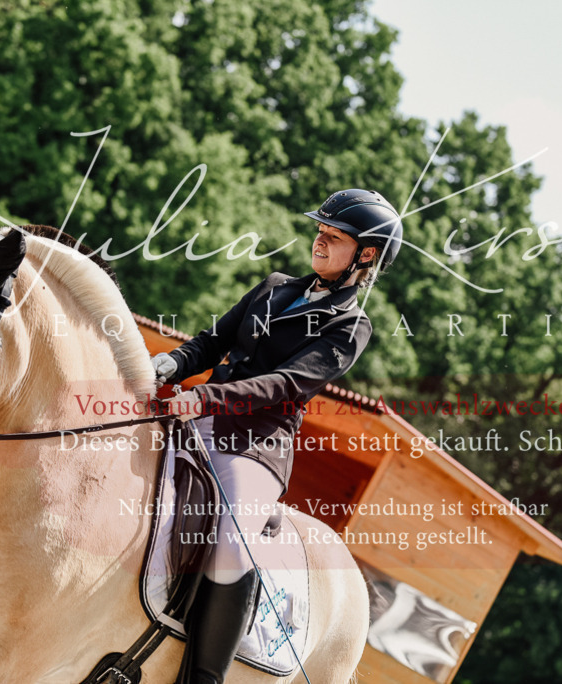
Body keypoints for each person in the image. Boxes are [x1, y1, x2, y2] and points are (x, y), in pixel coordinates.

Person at [152, 188, 402, 684]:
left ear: (366, 254)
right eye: (319, 233)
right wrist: (173, 361)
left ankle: (204, 677)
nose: (320, 243)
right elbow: (214, 340)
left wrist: (204, 398)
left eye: (335, 237)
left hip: (254, 446)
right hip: (195, 419)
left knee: (233, 540)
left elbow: (285, 385)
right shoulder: (273, 286)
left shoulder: (350, 325)